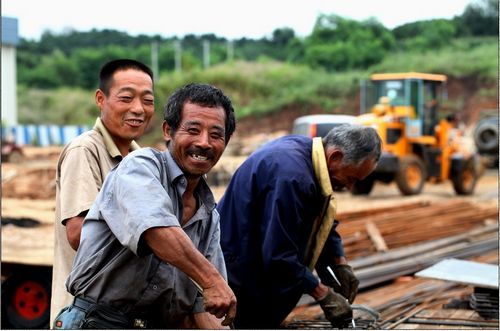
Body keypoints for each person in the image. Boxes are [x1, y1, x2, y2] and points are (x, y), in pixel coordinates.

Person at [52, 83, 237, 329]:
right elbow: (155, 228)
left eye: (216, 135)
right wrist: (212, 281)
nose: (204, 143)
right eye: (193, 130)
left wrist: (215, 297)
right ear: (168, 131)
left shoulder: (208, 215)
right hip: (98, 322)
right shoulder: (139, 167)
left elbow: (204, 307)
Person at [216, 124, 382, 329]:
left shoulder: (311, 155)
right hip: (239, 276)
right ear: (335, 156)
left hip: (255, 268)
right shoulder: (292, 177)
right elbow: (278, 255)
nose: (349, 187)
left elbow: (321, 219)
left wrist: (339, 262)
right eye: (351, 178)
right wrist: (323, 294)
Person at [50, 58, 155, 325]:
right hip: (85, 316)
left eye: (148, 100)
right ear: (101, 98)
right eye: (126, 98)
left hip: (119, 315)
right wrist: (156, 241)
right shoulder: (85, 151)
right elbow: (78, 234)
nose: (138, 109)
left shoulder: (141, 159)